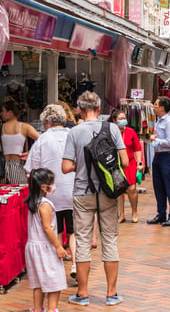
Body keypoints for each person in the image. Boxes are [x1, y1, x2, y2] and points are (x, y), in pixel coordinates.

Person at [62, 91, 128, 307]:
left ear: (79, 110)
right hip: (108, 192)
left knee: (82, 241)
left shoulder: (74, 132)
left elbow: (65, 167)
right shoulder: (112, 129)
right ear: (99, 109)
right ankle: (111, 294)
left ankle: (82, 293)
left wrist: (81, 164)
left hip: (83, 193)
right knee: (109, 240)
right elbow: (125, 162)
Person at [24, 104, 76, 279]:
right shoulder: (72, 136)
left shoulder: (43, 140)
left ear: (48, 121)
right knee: (73, 230)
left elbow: (32, 170)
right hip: (74, 190)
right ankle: (75, 263)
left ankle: (57, 264)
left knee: (56, 227)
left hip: (51, 193)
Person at [24, 168, 67, 312]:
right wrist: (58, 246)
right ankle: (52, 309)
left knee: (38, 283)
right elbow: (47, 228)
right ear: (44, 187)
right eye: (52, 183)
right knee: (56, 282)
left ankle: (37, 309)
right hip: (45, 248)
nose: (53, 186)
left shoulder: (33, 202)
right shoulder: (45, 205)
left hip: (33, 247)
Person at [147, 96, 170, 227]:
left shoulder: (169, 122)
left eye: (155, 104)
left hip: (168, 156)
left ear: (162, 107)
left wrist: (155, 140)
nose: (153, 106)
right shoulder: (159, 120)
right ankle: (161, 214)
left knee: (169, 187)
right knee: (158, 186)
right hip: (159, 155)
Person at [0, 100, 40, 185]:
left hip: (1, 167)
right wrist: (31, 152)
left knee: (0, 193)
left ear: (10, 112)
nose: (1, 114)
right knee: (19, 194)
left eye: (3, 111)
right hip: (18, 165)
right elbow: (42, 139)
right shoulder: (25, 127)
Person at [109, 110, 143, 224]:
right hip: (116, 164)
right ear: (114, 121)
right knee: (119, 190)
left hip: (130, 163)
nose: (123, 120)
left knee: (131, 189)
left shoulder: (131, 132)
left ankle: (134, 212)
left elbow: (137, 148)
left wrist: (139, 162)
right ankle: (121, 214)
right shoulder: (111, 132)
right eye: (120, 118)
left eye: (124, 118)